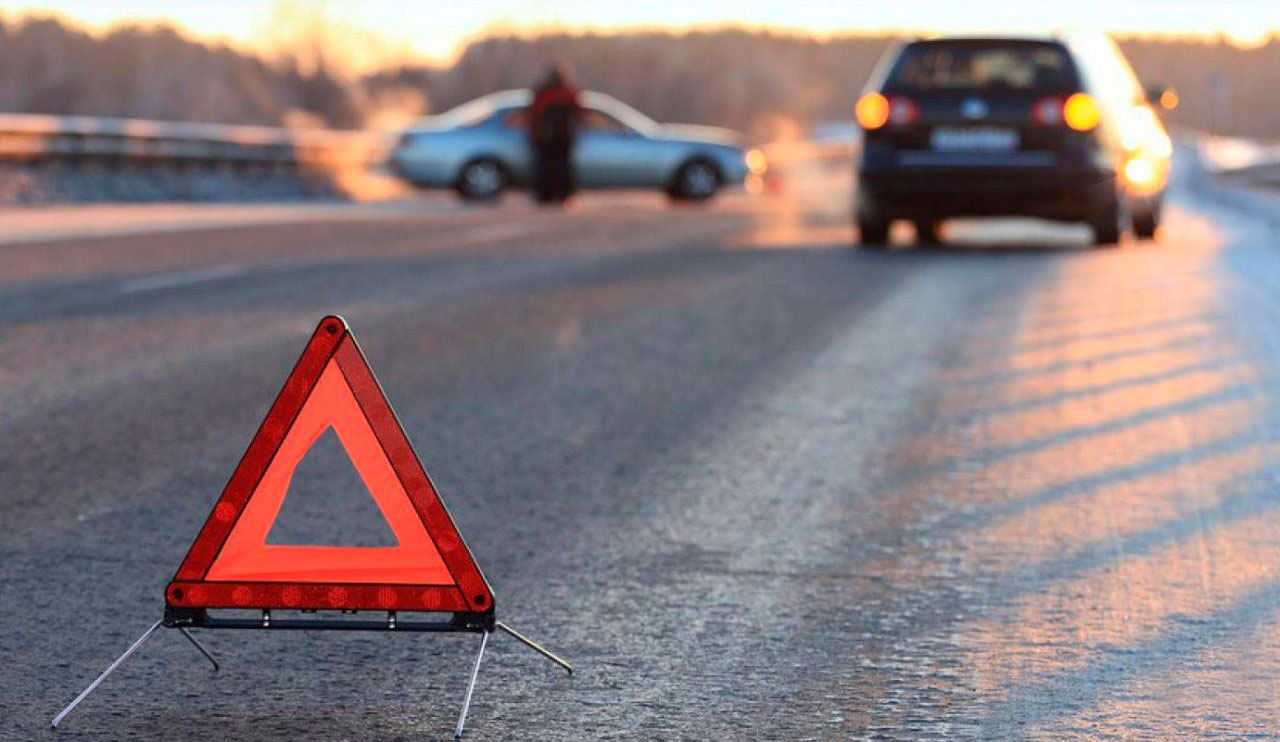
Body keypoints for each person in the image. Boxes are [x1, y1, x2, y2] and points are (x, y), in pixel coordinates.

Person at [526, 64, 582, 204]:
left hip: (545, 139)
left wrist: (534, 134)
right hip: (564, 138)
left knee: (545, 167)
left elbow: (533, 115)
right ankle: (563, 194)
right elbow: (580, 113)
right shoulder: (569, 93)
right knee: (563, 167)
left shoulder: (542, 94)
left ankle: (546, 195)